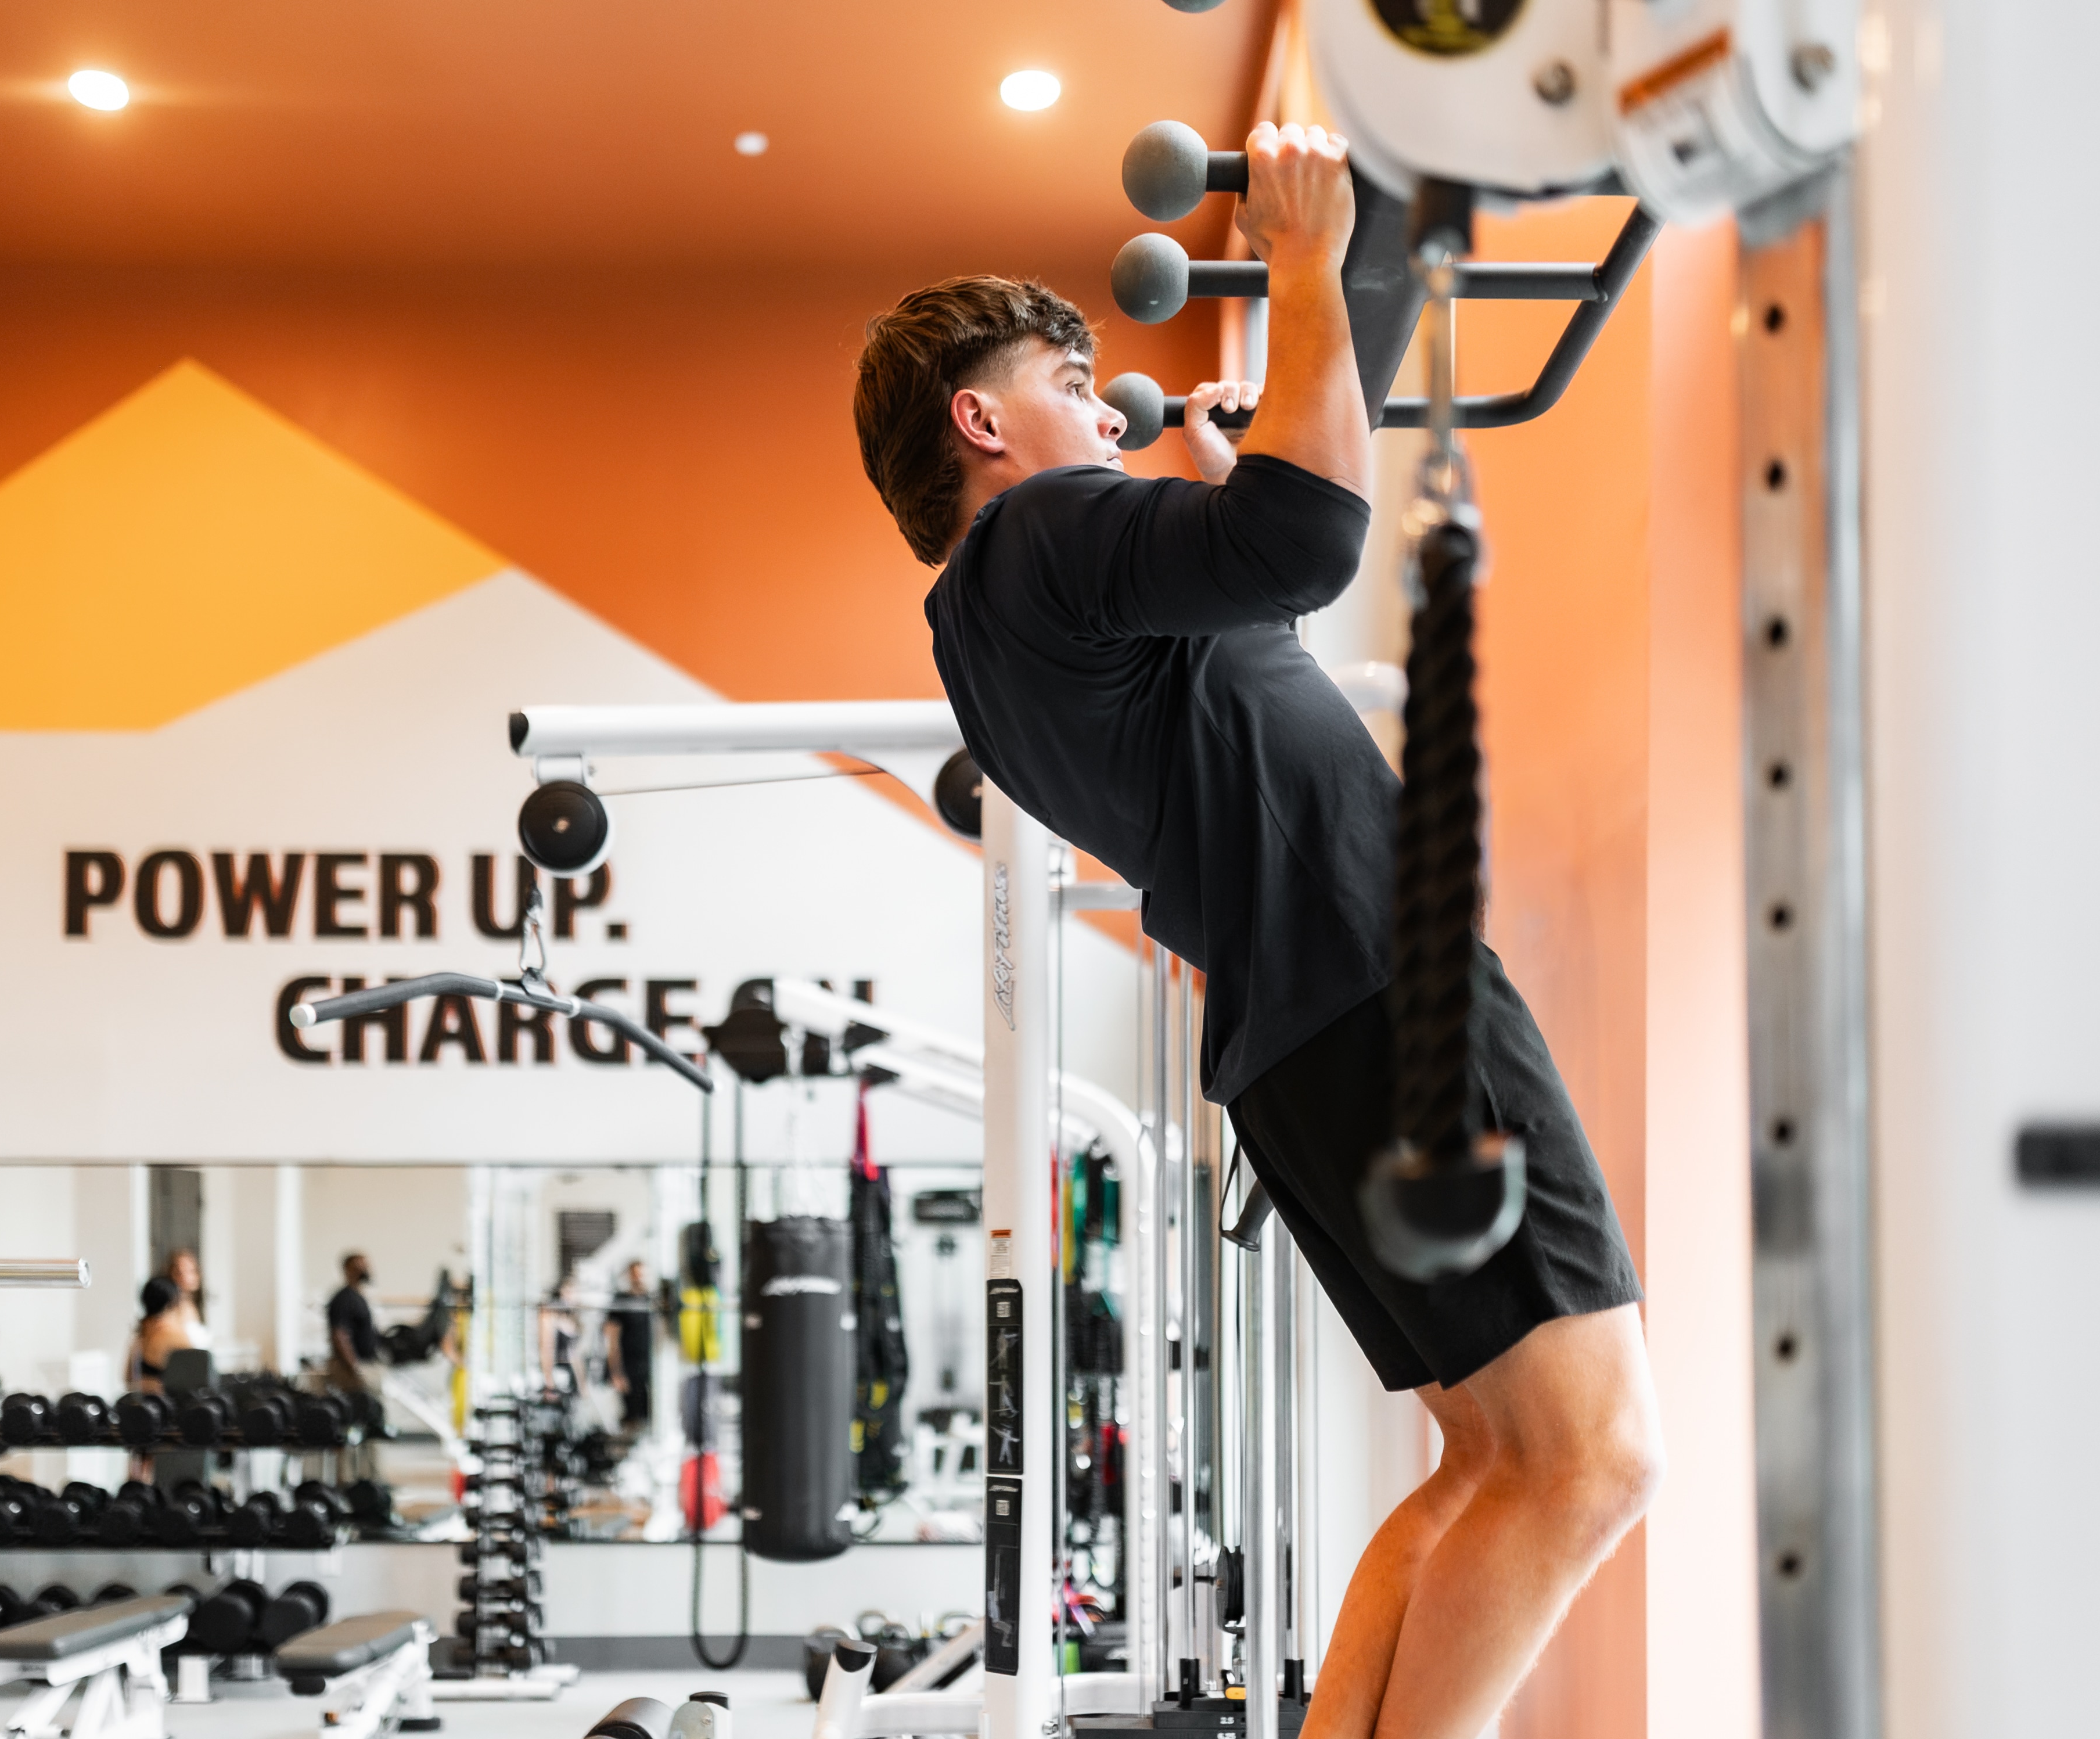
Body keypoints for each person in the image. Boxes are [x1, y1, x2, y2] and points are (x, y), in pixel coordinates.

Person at [852, 121, 1662, 1739]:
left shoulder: (986, 637)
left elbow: (1255, 612)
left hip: (1303, 1031)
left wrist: (1242, 478)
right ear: (978, 419)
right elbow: (1310, 537)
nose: (1105, 408)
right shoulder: (1041, 529)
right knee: (1590, 1458)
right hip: (1372, 989)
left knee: (1489, 1460)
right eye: (1067, 381)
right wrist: (1301, 252)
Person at [604, 1259, 656, 1431]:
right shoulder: (621, 1301)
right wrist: (616, 1372)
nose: (639, 1278)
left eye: (642, 1274)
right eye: (635, 1274)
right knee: (631, 1417)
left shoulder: (652, 1301)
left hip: (650, 1367)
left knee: (650, 1416)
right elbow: (612, 1340)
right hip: (628, 1367)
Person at [127, 1276, 193, 1395]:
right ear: (173, 1302)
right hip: (172, 1401)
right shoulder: (176, 1335)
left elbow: (129, 1378)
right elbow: (192, 1377)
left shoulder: (141, 1334)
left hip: (146, 1401)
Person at [327, 1252, 381, 1395]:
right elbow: (339, 1335)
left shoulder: (359, 1297)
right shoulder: (344, 1299)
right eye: (359, 1266)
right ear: (348, 1270)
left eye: (366, 1265)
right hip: (352, 1368)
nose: (364, 1269)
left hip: (366, 1363)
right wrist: (354, 1368)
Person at [163, 1248, 213, 1349]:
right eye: (180, 1272)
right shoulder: (168, 1310)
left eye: (192, 1271)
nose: (186, 1277)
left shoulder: (193, 1306)